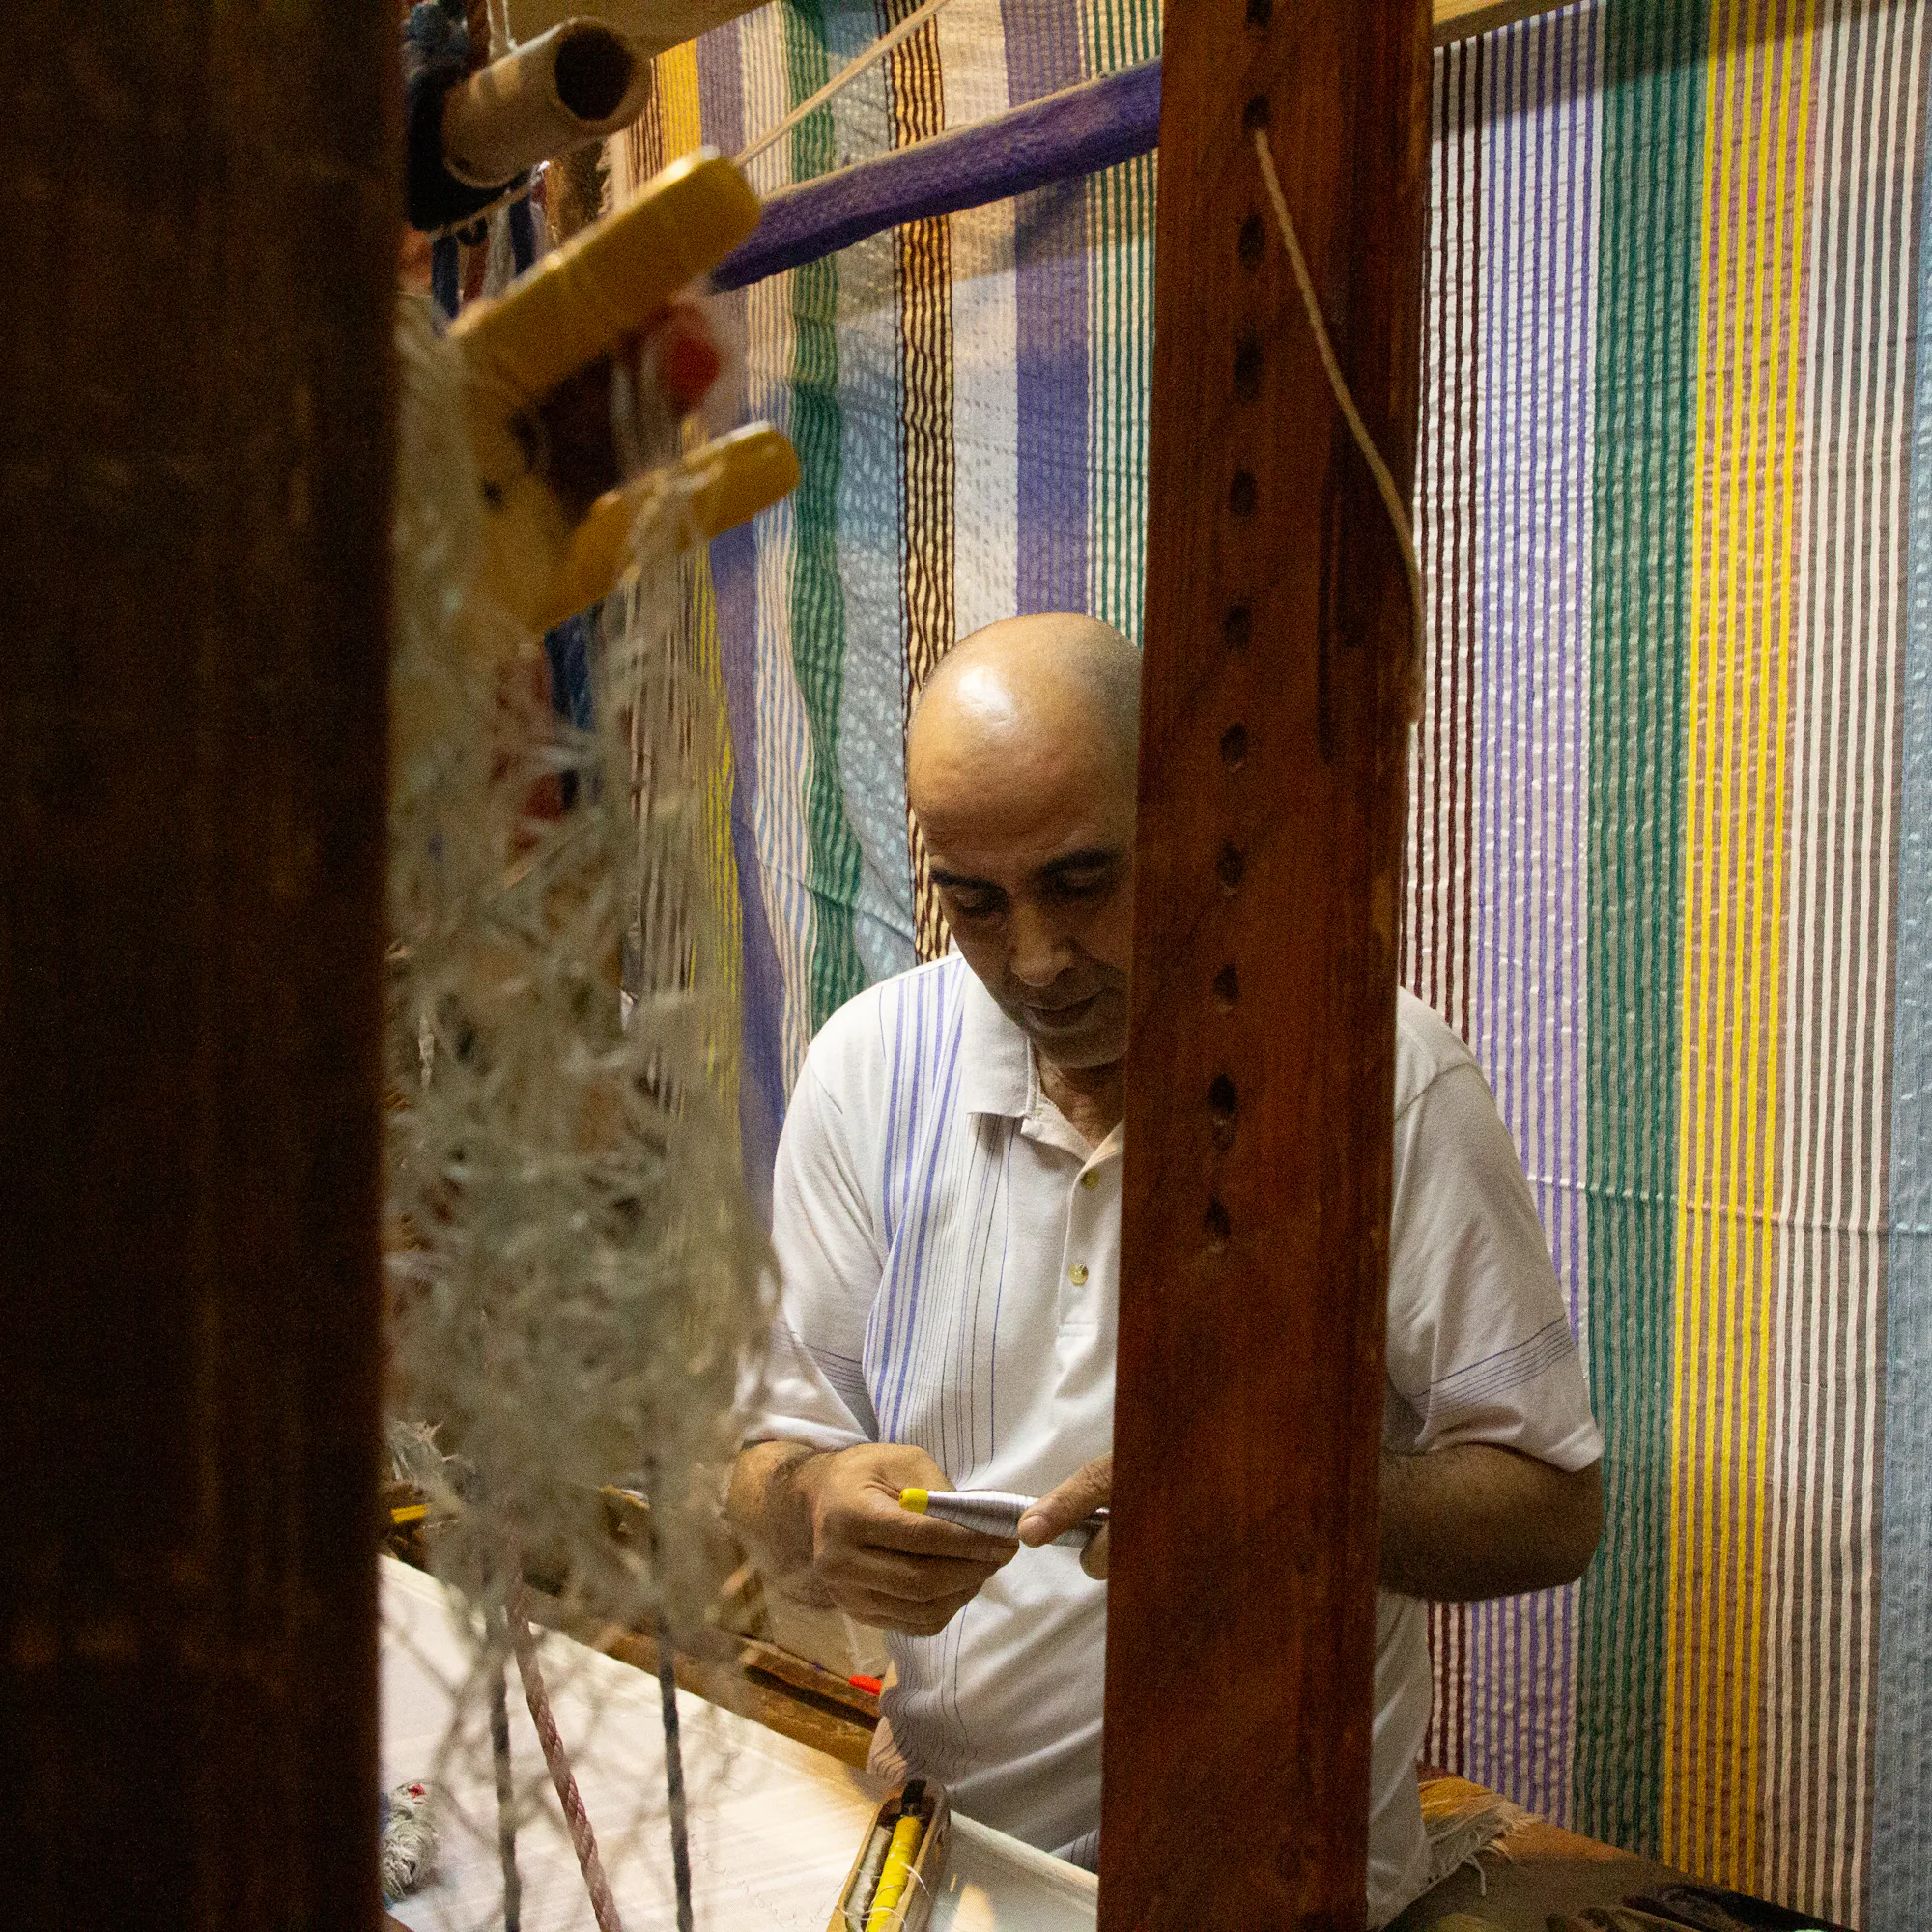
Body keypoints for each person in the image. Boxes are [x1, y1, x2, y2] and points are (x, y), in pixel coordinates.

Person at [726, 612, 1604, 1927]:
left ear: (1195, 821)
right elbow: (760, 1473)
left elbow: (1549, 1506)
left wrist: (1261, 1503)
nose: (1036, 961)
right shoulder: (872, 1072)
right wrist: (815, 1511)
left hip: (1272, 1877)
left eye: (1084, 881)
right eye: (975, 901)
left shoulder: (1378, 1080)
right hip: (950, 1848)